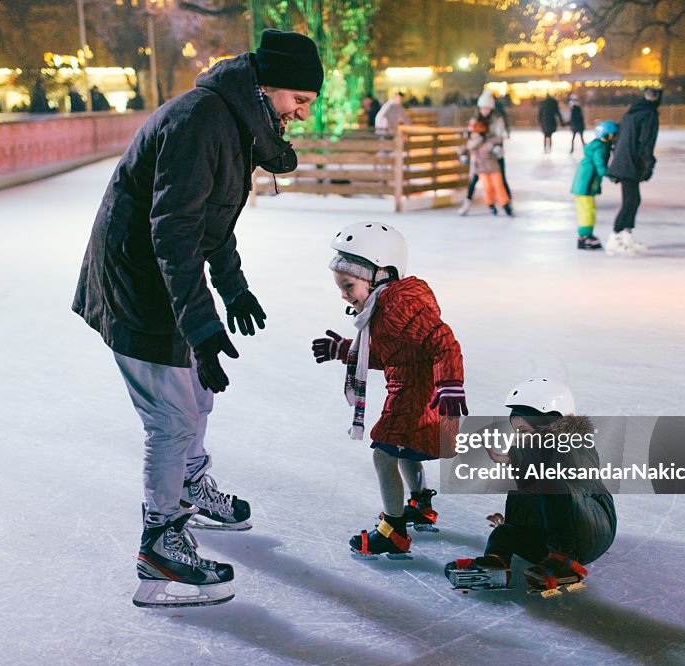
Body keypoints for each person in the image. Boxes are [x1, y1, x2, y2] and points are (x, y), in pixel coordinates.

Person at [72, 29, 324, 607]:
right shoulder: (202, 121)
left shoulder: (234, 122)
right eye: (298, 100)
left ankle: (188, 484)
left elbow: (212, 221)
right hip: (138, 284)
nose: (302, 114)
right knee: (172, 416)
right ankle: (160, 546)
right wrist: (202, 326)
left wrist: (232, 290)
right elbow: (174, 231)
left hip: (167, 279)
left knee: (197, 398)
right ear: (264, 88)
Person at [312, 222, 468, 558]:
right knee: (405, 451)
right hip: (412, 390)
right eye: (340, 286)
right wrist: (343, 350)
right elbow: (389, 353)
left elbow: (444, 342)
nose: (343, 294)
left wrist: (450, 385)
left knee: (384, 455)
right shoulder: (385, 305)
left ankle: (393, 530)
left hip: (420, 395)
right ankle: (420, 505)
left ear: (380, 274)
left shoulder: (399, 306)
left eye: (348, 285)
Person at [445, 379, 616, 594]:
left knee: (548, 481)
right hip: (551, 539)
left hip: (591, 532)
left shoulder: (576, 446)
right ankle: (495, 565)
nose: (518, 437)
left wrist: (517, 457)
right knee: (504, 533)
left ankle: (563, 562)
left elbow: (566, 470)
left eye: (524, 431)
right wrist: (516, 523)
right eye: (517, 431)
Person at [605, 87, 661, 256]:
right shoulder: (649, 115)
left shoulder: (632, 112)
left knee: (634, 200)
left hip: (624, 161)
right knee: (630, 201)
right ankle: (615, 237)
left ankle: (626, 235)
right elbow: (646, 142)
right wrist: (648, 165)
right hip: (631, 163)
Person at [459, 89, 512, 217]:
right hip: (480, 158)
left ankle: (507, 204)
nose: (485, 111)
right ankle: (468, 204)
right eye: (483, 108)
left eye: (487, 108)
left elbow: (501, 136)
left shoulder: (497, 119)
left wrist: (490, 144)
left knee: (501, 180)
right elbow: (470, 138)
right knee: (475, 180)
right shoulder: (475, 121)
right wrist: (474, 142)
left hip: (494, 155)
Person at [570, 120, 618, 250]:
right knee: (587, 212)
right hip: (585, 186)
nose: (615, 138)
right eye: (614, 135)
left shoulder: (597, 146)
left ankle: (585, 235)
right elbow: (601, 168)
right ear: (607, 135)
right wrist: (613, 177)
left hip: (582, 184)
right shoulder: (600, 148)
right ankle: (584, 237)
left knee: (585, 211)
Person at [466, 118, 512, 217]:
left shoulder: (489, 139)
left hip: (493, 167)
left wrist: (493, 146)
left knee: (498, 186)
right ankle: (490, 205)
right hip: (482, 169)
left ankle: (505, 204)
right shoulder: (473, 142)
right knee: (487, 188)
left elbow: (498, 141)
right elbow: (468, 147)